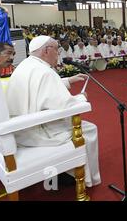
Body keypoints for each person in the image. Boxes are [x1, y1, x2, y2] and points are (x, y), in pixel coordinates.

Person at [6, 35, 101, 187]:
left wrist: (69, 80)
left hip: (20, 127)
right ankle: (79, 175)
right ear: (45, 51)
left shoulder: (26, 64)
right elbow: (64, 105)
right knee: (90, 129)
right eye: (56, 49)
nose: (59, 53)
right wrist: (81, 97)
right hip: (37, 130)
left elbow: (40, 90)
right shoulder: (45, 71)